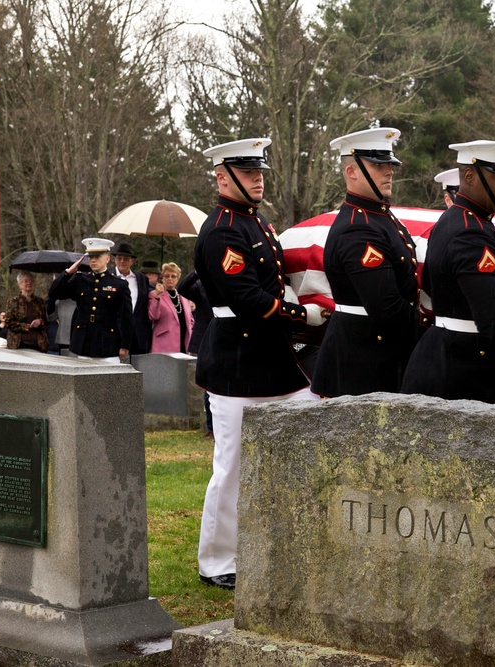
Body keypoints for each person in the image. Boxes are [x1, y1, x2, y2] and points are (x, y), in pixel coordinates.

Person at [193, 137, 324, 590]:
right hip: (237, 362)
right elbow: (246, 297)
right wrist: (301, 314)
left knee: (312, 429)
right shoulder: (223, 230)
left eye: (260, 171)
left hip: (273, 359)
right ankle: (216, 561)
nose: (258, 178)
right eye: (248, 172)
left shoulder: (254, 223)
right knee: (230, 466)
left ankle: (285, 539)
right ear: (222, 176)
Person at [402, 140, 495, 407]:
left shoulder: (456, 220)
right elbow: (493, 317)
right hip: (468, 368)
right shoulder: (469, 231)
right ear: (470, 176)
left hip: (450, 354)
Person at [311, 127, 420, 397]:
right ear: (352, 172)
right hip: (363, 363)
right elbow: (386, 307)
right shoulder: (358, 228)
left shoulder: (379, 217)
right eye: (378, 165)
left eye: (390, 164)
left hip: (378, 355)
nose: (389, 171)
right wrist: (436, 335)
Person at [47, 237, 133, 362]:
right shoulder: (80, 280)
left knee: (110, 380)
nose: (93, 260)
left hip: (108, 343)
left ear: (107, 259)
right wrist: (67, 273)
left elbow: (127, 317)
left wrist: (125, 345)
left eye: (97, 257)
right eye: (90, 257)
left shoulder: (119, 284)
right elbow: (54, 293)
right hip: (84, 342)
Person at [178, 270, 214, 438]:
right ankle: (211, 427)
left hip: (224, 339)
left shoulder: (227, 284)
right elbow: (182, 288)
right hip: (204, 341)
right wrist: (197, 272)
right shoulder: (200, 286)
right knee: (208, 387)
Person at [111, 242, 153, 355]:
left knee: (139, 368)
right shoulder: (109, 277)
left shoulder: (141, 279)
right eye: (119, 258)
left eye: (126, 259)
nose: (122, 261)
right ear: (114, 260)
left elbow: (145, 303)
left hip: (139, 332)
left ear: (132, 261)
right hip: (115, 332)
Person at [148, 261, 194, 354]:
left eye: (173, 276)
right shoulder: (155, 294)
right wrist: (156, 296)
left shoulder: (184, 295)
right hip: (164, 343)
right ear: (162, 278)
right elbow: (153, 316)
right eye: (167, 276)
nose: (170, 278)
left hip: (184, 342)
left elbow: (190, 318)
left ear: (178, 278)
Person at [5, 271, 48, 351]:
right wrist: (25, 326)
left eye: (31, 281)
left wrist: (40, 322)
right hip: (18, 344)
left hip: (38, 345)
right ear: (19, 284)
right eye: (26, 281)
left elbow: (46, 320)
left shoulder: (40, 302)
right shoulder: (13, 302)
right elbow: (8, 322)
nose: (29, 283)